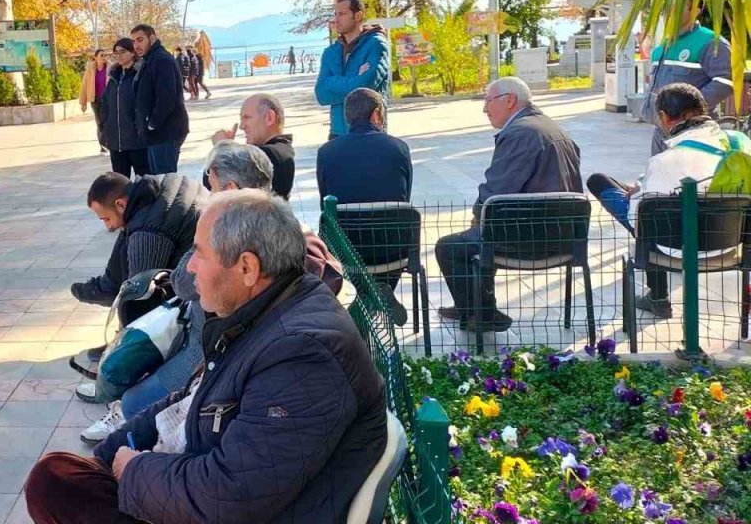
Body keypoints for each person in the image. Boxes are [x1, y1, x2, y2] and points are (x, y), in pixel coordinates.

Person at [12, 190, 388, 524]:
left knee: (52, 482)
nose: (189, 266)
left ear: (247, 269)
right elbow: (186, 401)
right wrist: (113, 453)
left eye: (201, 253)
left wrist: (131, 470)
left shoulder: (304, 352)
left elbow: (231, 493)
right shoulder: (266, 315)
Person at [80, 142, 343, 443]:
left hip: (207, 352)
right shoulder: (284, 224)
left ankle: (128, 413)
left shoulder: (236, 234)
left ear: (230, 187)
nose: (207, 195)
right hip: (205, 339)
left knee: (134, 403)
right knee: (134, 365)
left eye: (213, 187)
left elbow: (185, 282)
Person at [588, 83, 751, 319]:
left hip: (676, 249)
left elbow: (638, 220)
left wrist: (636, 195)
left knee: (605, 185)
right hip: (731, 244)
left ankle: (658, 297)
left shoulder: (665, 161)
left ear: (664, 117)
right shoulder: (741, 145)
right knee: (654, 203)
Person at [434, 77, 583, 334]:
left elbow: (496, 193)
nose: (484, 109)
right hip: (566, 237)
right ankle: (476, 307)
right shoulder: (551, 127)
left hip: (529, 239)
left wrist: (479, 215)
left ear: (510, 100)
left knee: (449, 247)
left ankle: (479, 312)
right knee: (479, 233)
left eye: (487, 101)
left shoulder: (520, 133)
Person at [316, 87, 414, 324]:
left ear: (347, 117)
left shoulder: (327, 153)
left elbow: (325, 204)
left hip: (346, 250)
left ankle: (364, 298)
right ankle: (380, 291)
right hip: (393, 250)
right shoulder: (398, 148)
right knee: (394, 224)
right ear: (377, 114)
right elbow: (404, 197)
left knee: (335, 229)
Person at [69, 172, 203, 308]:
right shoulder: (165, 182)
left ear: (120, 204)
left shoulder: (147, 233)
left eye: (107, 219)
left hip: (195, 292)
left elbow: (139, 297)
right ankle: (106, 285)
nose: (109, 227)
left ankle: (106, 287)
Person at [642, 0, 733, 155]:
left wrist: (687, 111)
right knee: (659, 176)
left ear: (696, 11)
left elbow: (725, 82)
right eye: (668, 7)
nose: (670, 12)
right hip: (661, 131)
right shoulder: (664, 45)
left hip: (693, 133)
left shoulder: (711, 42)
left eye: (679, 7)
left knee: (689, 178)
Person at [315, 0, 391, 139]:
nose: (336, 19)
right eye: (335, 14)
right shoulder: (330, 52)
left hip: (370, 132)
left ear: (358, 15)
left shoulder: (376, 45)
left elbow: (366, 87)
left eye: (342, 14)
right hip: (337, 134)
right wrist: (355, 78)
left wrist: (332, 82)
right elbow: (321, 95)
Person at [210, 93, 296, 199]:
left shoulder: (268, 154)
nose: (241, 126)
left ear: (269, 117)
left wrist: (222, 146)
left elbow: (213, 181)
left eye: (246, 118)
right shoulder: (282, 149)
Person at [134, 24, 189, 174]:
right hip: (157, 135)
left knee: (165, 183)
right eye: (134, 41)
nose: (136, 45)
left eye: (140, 40)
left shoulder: (161, 60)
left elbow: (167, 97)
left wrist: (152, 123)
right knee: (158, 181)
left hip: (165, 132)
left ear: (152, 38)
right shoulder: (150, 59)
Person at [101, 39, 148, 178]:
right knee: (120, 186)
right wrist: (105, 128)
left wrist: (141, 128)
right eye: (116, 53)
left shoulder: (141, 75)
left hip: (138, 142)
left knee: (145, 184)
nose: (119, 55)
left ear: (133, 52)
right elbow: (105, 104)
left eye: (123, 52)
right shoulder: (114, 76)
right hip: (116, 143)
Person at [79, 49, 109, 154]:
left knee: (106, 121)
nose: (104, 57)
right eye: (101, 55)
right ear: (95, 57)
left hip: (107, 99)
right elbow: (84, 85)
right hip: (95, 99)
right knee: (99, 122)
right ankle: (103, 145)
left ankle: (107, 144)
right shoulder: (90, 69)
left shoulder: (110, 68)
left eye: (105, 55)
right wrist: (82, 102)